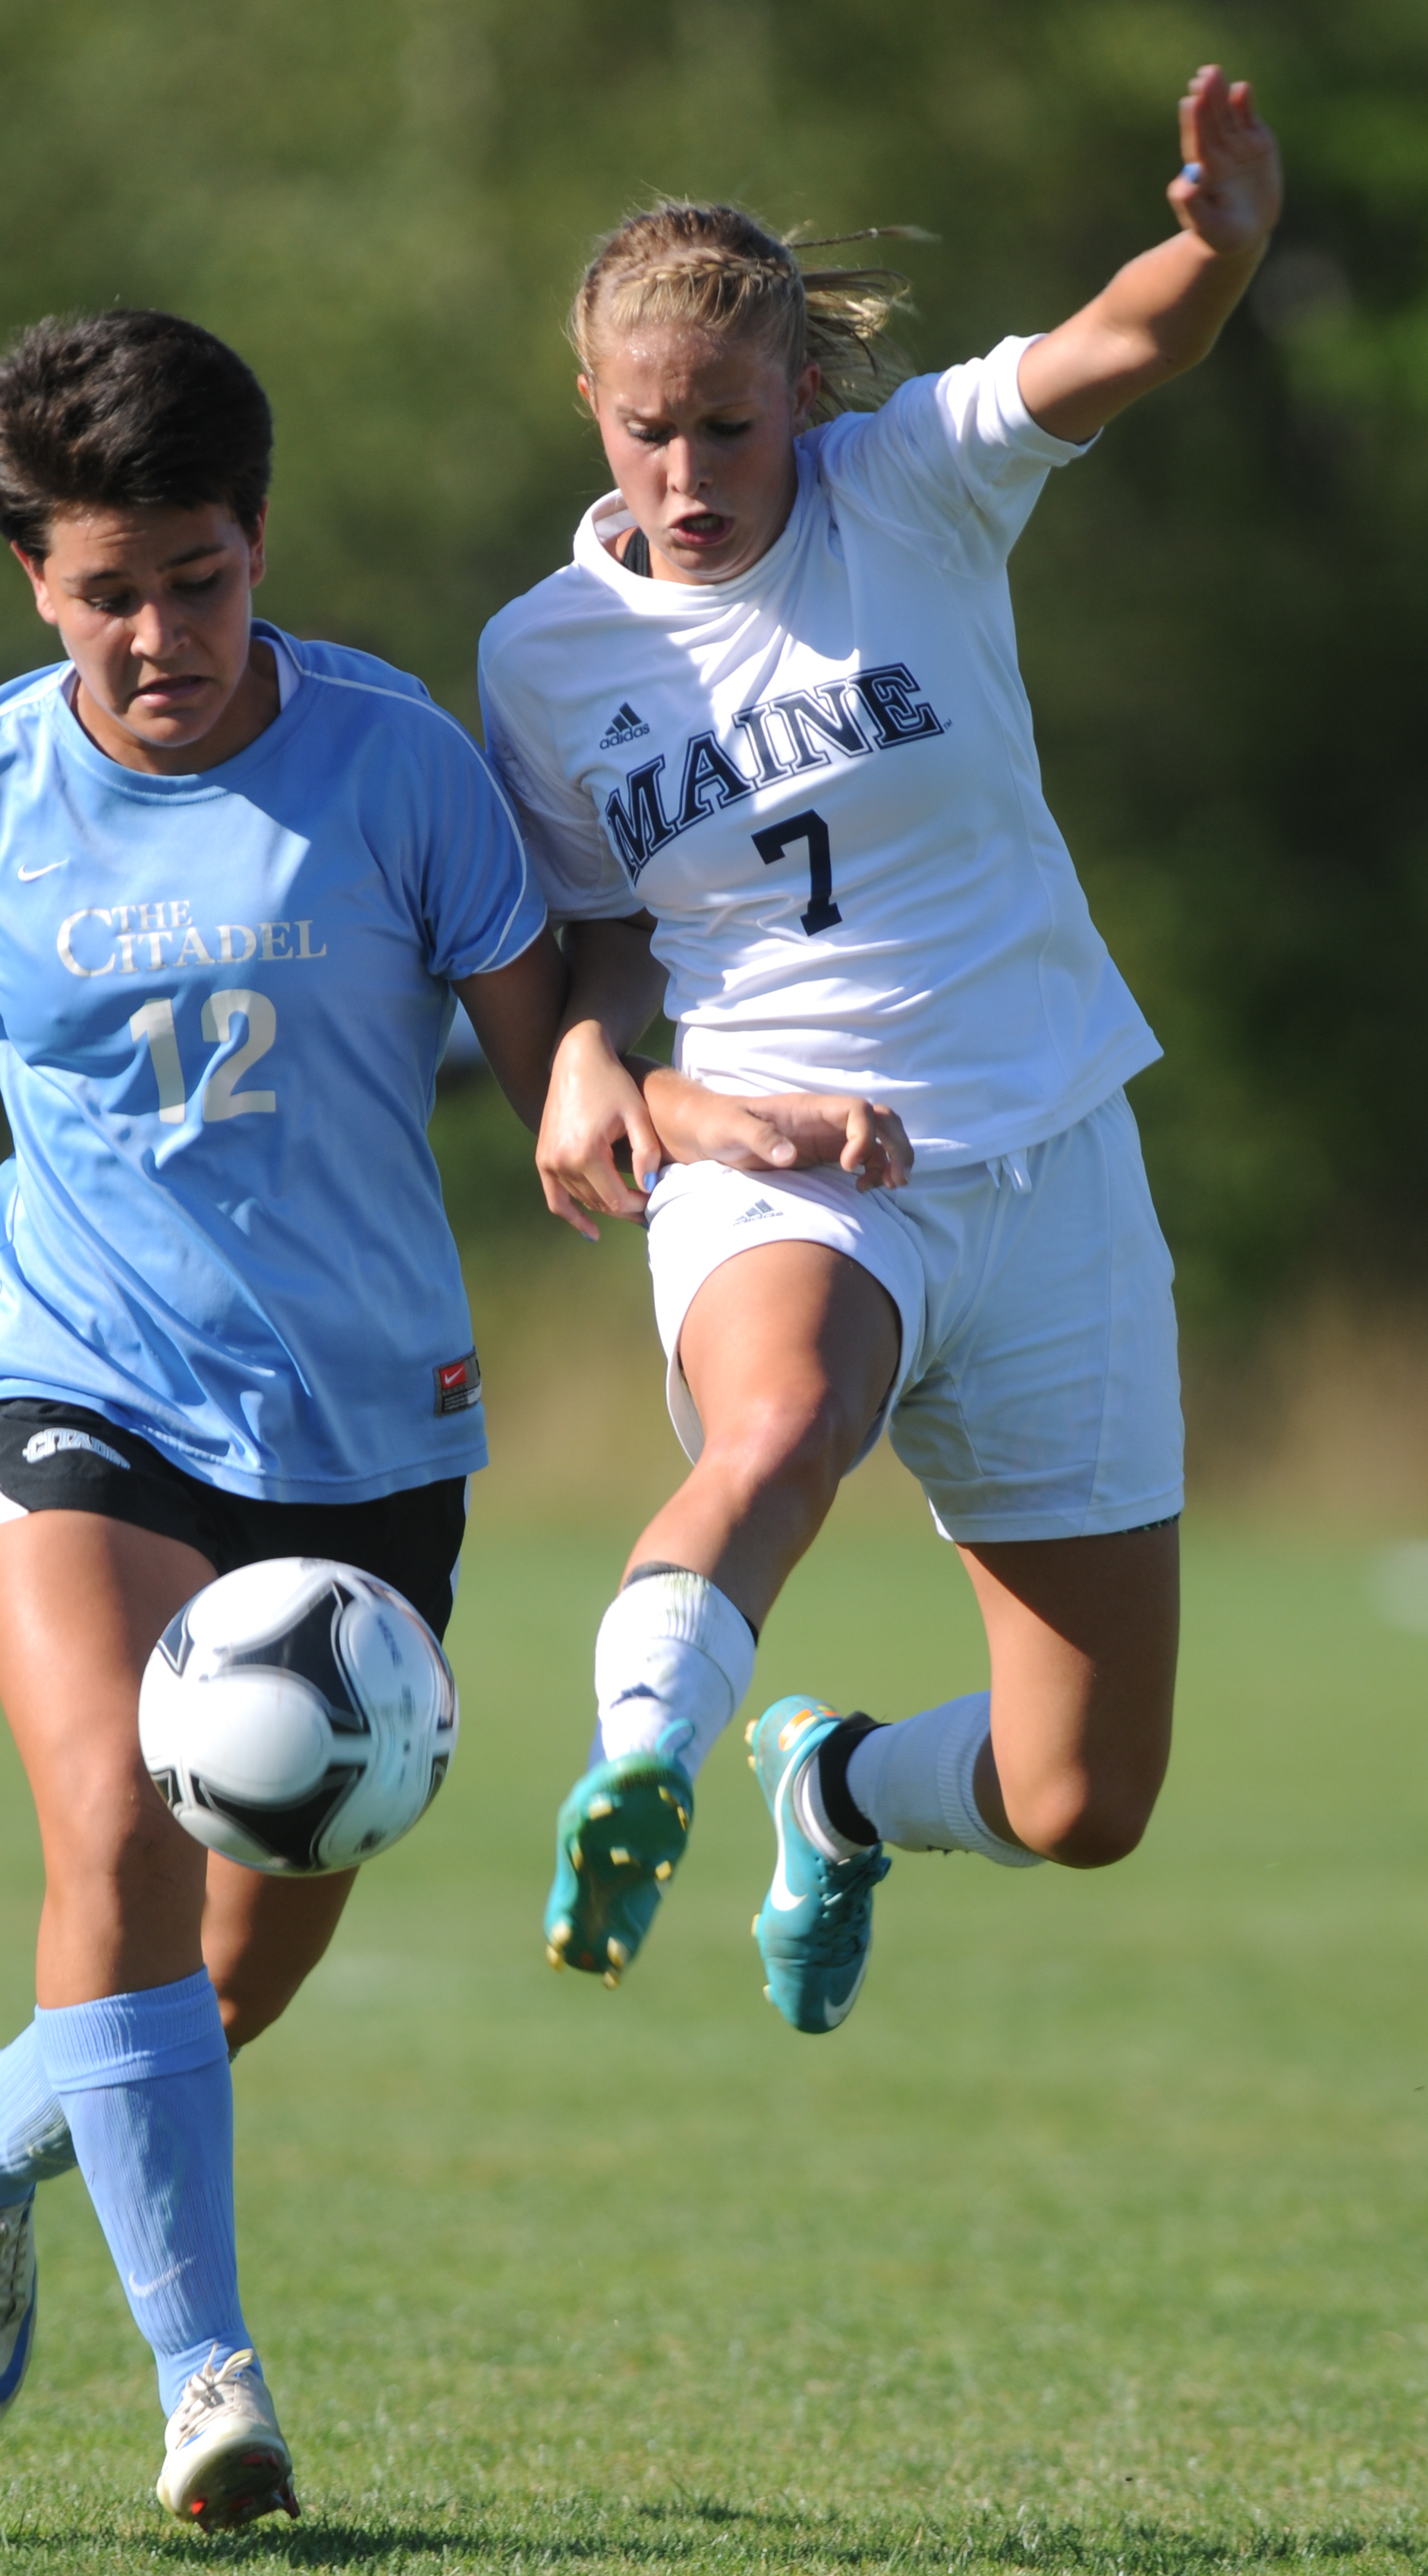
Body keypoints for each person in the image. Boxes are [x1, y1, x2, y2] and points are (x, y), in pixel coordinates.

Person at [0, 308, 583, 2526]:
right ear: (36, 578)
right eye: (111, 590)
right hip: (74, 1392)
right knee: (107, 1821)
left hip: (373, 1446)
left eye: (201, 575)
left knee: (217, 1984)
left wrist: (638, 1110)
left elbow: (558, 1045)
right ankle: (214, 2388)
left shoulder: (401, 768)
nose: (163, 631)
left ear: (257, 537)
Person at [480, 68, 1282, 2028]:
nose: (689, 472)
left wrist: (1221, 246)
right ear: (593, 409)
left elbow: (1114, 345)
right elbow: (593, 931)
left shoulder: (910, 480)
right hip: (784, 1161)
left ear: (803, 406)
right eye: (648, 429)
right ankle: (647, 1761)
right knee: (783, 1429)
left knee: (1083, 1796)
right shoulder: (542, 659)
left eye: (729, 427)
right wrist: (611, 1071)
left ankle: (832, 1785)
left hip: (1051, 1152)